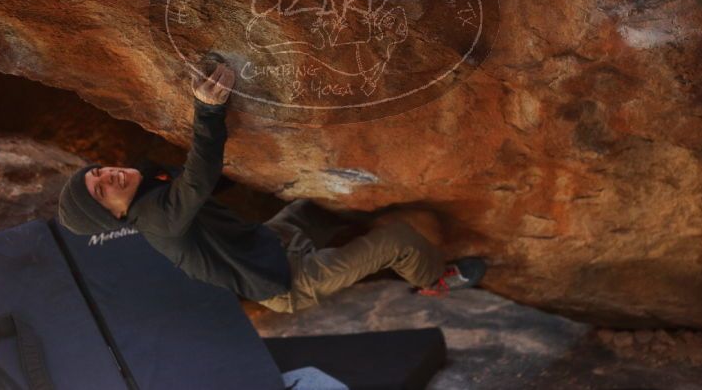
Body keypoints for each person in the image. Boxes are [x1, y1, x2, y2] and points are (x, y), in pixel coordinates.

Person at [57, 61, 486, 313]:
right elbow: (200, 176)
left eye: (98, 172)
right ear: (115, 214)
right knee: (399, 240)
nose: (108, 176)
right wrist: (208, 112)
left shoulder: (147, 185)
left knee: (322, 200)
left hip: (274, 241)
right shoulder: (157, 222)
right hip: (287, 281)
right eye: (101, 191)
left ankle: (361, 238)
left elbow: (210, 183)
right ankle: (435, 280)